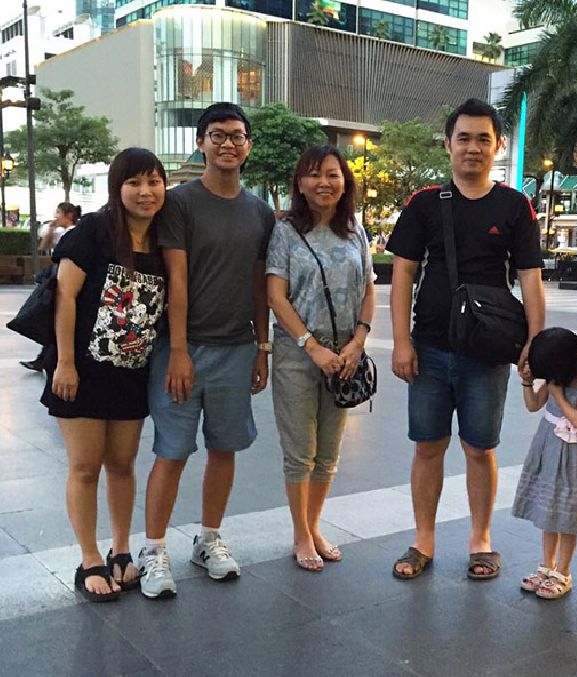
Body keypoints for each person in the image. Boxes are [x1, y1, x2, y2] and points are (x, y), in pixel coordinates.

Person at [387, 98, 545, 580]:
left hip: (488, 350)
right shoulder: (424, 203)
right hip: (430, 346)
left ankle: (481, 540)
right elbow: (402, 276)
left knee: (480, 448)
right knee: (428, 445)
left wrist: (534, 346)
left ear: (498, 145)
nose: (473, 148)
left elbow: (531, 280)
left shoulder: (515, 206)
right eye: (464, 138)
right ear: (448, 144)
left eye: (483, 139)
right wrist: (400, 341)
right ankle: (423, 541)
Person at [137, 102, 274, 600]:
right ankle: (152, 549)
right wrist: (177, 350)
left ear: (248, 145)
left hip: (238, 349)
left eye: (237, 135)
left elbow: (260, 285)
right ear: (201, 142)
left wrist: (262, 346)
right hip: (183, 350)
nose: (228, 143)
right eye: (217, 135)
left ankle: (209, 538)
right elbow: (176, 278)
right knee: (171, 452)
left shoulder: (259, 211)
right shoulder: (180, 203)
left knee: (224, 448)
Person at [40, 148, 167, 602]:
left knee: (122, 465)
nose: (145, 191)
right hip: (83, 372)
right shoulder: (93, 230)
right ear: (118, 188)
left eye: (154, 181)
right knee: (85, 466)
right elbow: (66, 297)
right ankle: (90, 558)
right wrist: (66, 364)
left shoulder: (161, 238)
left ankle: (121, 550)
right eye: (134, 182)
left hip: (131, 374)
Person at [267, 145, 375, 571]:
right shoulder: (285, 231)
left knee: (329, 452)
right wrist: (312, 346)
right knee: (300, 451)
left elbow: (368, 291)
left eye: (332, 174)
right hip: (299, 354)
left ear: (344, 180)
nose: (323, 183)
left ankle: (313, 526)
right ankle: (300, 534)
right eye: (313, 175)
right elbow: (276, 296)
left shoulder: (356, 231)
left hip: (345, 356)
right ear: (300, 183)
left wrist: (357, 342)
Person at [512, 328, 577, 600]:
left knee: (568, 517)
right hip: (551, 450)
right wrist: (527, 383)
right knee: (548, 514)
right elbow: (533, 405)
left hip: (576, 457)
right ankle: (546, 565)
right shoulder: (557, 377)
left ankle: (563, 572)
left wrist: (558, 396)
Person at [21, 202, 83, 372]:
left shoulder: (75, 233)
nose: (56, 216)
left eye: (59, 213)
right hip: (56, 276)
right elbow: (44, 246)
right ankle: (44, 359)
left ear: (69, 215)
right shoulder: (59, 232)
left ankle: (45, 360)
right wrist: (50, 228)